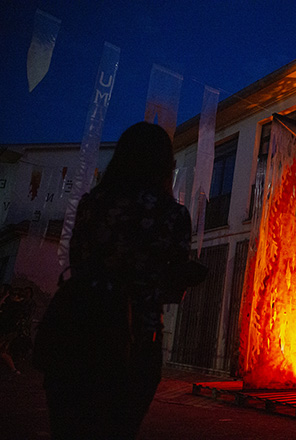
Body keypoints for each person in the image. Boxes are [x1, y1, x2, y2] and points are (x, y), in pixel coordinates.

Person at [42, 122, 193, 440]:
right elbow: (173, 283)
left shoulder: (92, 204)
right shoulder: (172, 215)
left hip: (75, 328)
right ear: (164, 164)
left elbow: (77, 262)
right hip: (134, 337)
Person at [0, 286, 29, 375]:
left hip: (8, 331)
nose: (11, 296)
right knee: (2, 352)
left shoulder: (16, 307)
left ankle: (14, 370)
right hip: (9, 331)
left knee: (2, 351)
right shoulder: (18, 306)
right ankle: (14, 370)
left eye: (13, 295)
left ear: (17, 296)